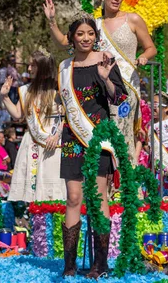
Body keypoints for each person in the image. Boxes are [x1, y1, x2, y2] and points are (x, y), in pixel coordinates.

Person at [45, 0, 157, 164]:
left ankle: (125, 187)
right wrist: (52, 21)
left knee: (122, 136)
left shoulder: (133, 19)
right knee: (103, 136)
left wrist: (143, 58)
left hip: (125, 86)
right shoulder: (95, 25)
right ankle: (103, 185)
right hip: (99, 87)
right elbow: (65, 41)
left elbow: (150, 48)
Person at [57, 15, 127, 278]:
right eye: (80, 34)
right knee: (73, 197)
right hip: (72, 137)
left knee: (98, 199)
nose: (85, 38)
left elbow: (119, 98)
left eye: (90, 34)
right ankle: (69, 266)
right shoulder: (64, 67)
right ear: (72, 37)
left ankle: (100, 264)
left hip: (98, 138)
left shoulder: (105, 60)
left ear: (95, 37)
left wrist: (106, 78)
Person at [0, 50, 67, 203]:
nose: (29, 69)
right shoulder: (25, 90)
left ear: (43, 68)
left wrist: (57, 135)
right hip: (33, 145)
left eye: (33, 65)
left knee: (54, 193)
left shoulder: (59, 90)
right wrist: (4, 96)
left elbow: (67, 117)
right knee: (33, 192)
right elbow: (18, 115)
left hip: (54, 145)